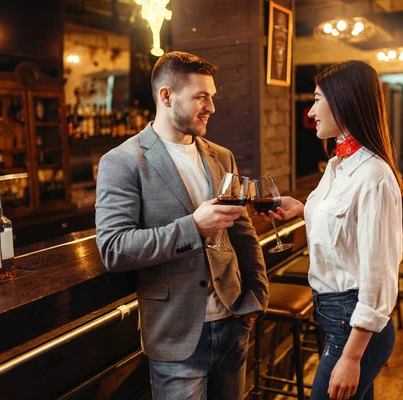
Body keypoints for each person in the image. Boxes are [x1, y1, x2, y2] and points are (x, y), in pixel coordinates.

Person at [95, 51, 268, 400]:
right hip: (176, 336)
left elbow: (244, 234)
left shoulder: (221, 156)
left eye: (212, 97)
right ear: (166, 96)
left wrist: (256, 298)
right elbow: (114, 249)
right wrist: (193, 227)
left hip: (233, 321)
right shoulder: (122, 161)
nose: (211, 107)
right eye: (201, 97)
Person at [260, 60, 403, 400]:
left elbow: (380, 276)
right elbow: (344, 230)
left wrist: (352, 357)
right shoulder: (338, 164)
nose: (310, 112)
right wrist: (301, 207)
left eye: (317, 100)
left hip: (354, 328)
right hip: (333, 317)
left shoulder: (373, 176)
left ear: (344, 101)